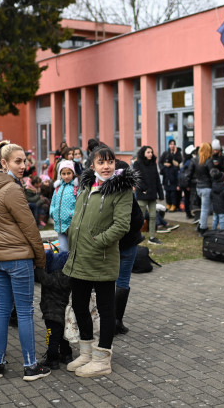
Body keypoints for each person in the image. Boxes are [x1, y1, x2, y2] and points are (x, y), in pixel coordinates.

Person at [0, 140, 50, 381]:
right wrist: (41, 259)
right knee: (25, 312)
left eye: (25, 161)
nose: (23, 165)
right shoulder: (11, 189)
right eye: (18, 161)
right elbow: (30, 228)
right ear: (4, 162)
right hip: (18, 258)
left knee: (3, 310)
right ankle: (30, 366)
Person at [63, 145, 135, 377]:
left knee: (105, 310)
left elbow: (122, 225)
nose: (106, 166)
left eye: (110, 162)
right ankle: (86, 352)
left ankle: (102, 358)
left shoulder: (121, 190)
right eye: (101, 162)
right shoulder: (86, 186)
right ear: (92, 165)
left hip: (101, 257)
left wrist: (98, 241)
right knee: (79, 306)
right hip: (78, 257)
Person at [115, 182, 145, 335]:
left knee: (108, 281)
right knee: (122, 281)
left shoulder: (100, 191)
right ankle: (116, 321)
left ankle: (107, 320)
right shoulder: (127, 194)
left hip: (109, 245)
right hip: (126, 245)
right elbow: (139, 219)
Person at [35, 251, 73, 370]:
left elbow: (39, 271)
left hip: (50, 314)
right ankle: (66, 355)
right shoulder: (68, 279)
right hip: (64, 313)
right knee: (63, 335)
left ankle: (52, 359)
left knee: (51, 336)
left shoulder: (48, 278)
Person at [133, 145, 165, 245]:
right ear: (143, 153)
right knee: (140, 217)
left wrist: (160, 193)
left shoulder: (153, 164)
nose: (150, 154)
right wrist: (144, 189)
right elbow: (136, 178)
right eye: (148, 152)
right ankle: (136, 237)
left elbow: (157, 179)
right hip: (142, 194)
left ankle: (152, 237)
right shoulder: (137, 163)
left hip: (152, 195)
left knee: (153, 216)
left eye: (151, 152)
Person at [50, 160, 78, 253]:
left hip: (72, 225)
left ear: (73, 173)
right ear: (60, 174)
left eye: (69, 173)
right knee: (63, 250)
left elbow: (79, 204)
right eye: (63, 174)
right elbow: (53, 202)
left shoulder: (75, 188)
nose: (66, 176)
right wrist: (52, 212)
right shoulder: (58, 188)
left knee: (73, 250)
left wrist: (72, 214)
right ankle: (64, 267)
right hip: (60, 225)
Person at [194, 142, 213, 235]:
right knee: (205, 209)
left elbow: (191, 173)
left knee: (203, 209)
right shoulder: (208, 161)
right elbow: (212, 174)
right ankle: (203, 228)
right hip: (206, 187)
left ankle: (201, 224)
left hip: (198, 187)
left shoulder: (196, 160)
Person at [159, 139, 182, 212]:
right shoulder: (165, 153)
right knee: (168, 193)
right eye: (171, 144)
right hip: (167, 175)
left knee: (174, 194)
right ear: (168, 145)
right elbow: (160, 162)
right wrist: (163, 167)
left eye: (173, 144)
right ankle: (168, 204)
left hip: (174, 176)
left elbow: (179, 163)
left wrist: (174, 155)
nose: (172, 145)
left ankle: (174, 205)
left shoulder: (178, 153)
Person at [178, 144, 196, 219]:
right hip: (188, 183)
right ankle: (188, 213)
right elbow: (189, 174)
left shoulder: (186, 161)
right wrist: (188, 185)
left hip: (184, 183)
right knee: (188, 198)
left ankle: (188, 213)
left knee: (187, 198)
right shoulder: (189, 162)